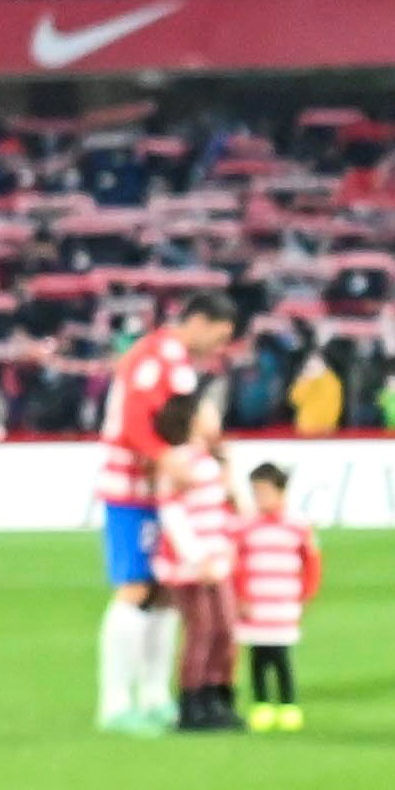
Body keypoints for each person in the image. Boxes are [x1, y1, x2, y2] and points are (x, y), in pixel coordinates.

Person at [92, 291, 234, 734]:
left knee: (168, 591)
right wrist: (166, 457)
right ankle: (115, 704)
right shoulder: (156, 356)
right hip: (132, 488)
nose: (219, 348)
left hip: (159, 488)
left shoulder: (174, 360)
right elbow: (135, 420)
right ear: (199, 321)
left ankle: (154, 696)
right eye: (219, 336)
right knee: (135, 588)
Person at [148, 394, 243, 735]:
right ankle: (192, 702)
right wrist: (196, 557)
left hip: (217, 559)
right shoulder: (177, 461)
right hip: (191, 565)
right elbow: (172, 513)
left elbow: (229, 508)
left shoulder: (214, 460)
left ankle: (218, 696)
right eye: (208, 411)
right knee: (201, 630)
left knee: (226, 628)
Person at [234, 463, 321, 731]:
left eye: (265, 492)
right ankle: (262, 704)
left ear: (281, 493)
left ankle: (288, 704)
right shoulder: (246, 526)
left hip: (283, 599)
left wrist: (305, 594)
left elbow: (312, 561)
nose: (260, 498)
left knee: (281, 654)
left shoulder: (298, 526)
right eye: (256, 493)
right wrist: (241, 595)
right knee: (258, 655)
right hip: (256, 600)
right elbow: (238, 563)